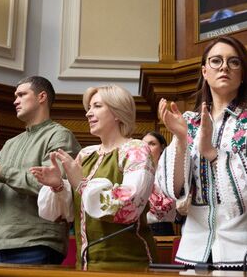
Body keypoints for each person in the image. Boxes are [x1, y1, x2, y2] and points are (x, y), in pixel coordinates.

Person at [156, 35, 247, 271]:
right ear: (205, 71)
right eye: (216, 61)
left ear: (243, 73)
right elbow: (173, 190)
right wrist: (180, 138)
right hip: (195, 252)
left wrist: (212, 153)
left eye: (233, 62)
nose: (224, 66)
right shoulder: (189, 122)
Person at [33, 85, 157, 270]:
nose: (88, 113)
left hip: (128, 265)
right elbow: (67, 214)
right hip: (84, 266)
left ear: (117, 112)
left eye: (97, 106)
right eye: (89, 108)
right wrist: (58, 185)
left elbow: (127, 206)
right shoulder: (85, 154)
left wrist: (81, 184)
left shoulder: (136, 149)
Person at [0, 76, 81, 265]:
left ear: (42, 97)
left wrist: (0, 171)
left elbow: (52, 188)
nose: (15, 100)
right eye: (15, 96)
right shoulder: (11, 143)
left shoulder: (60, 135)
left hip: (38, 241)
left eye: (21, 94)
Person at [142, 131, 177, 236]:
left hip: (161, 226)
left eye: (152, 144)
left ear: (162, 147)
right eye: (144, 144)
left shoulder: (170, 172)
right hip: (136, 227)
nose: (147, 147)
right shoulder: (134, 170)